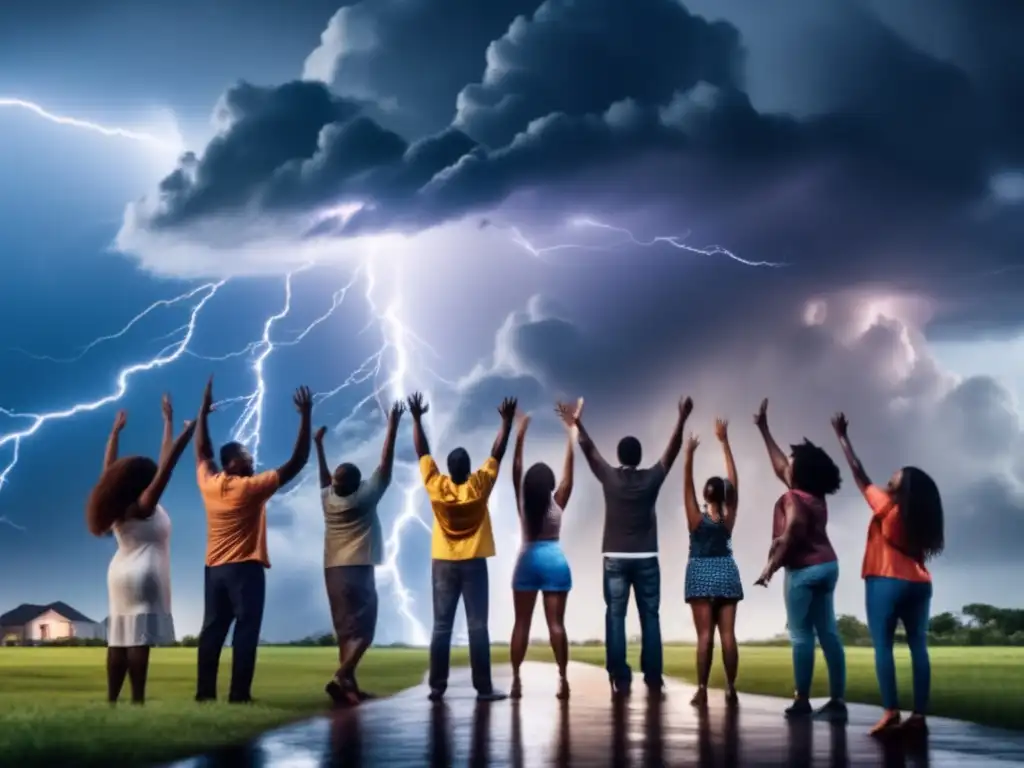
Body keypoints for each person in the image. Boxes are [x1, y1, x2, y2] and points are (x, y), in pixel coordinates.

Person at [557, 395, 693, 697]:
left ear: (619, 456)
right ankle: (654, 677)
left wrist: (577, 422)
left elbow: (589, 451)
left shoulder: (610, 478)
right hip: (646, 556)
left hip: (614, 557)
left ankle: (619, 676)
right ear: (639, 456)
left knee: (615, 615)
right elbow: (671, 453)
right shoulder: (651, 479)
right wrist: (682, 418)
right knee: (650, 616)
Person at [194, 377, 313, 703]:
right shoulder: (249, 488)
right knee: (246, 630)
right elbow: (298, 461)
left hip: (213, 570)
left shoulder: (208, 482)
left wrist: (202, 414)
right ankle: (238, 695)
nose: (252, 458)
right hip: (244, 569)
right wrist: (305, 416)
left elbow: (202, 451)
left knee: (212, 632)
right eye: (246, 455)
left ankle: (204, 695)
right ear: (232, 462)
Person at [832, 412, 944, 737]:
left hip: (885, 581)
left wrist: (842, 436)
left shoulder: (888, 507)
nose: (889, 477)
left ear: (901, 487)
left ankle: (891, 712)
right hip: (920, 585)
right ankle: (919, 715)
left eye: (895, 477)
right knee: (918, 648)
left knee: (883, 647)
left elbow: (858, 474)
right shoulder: (920, 518)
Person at [86, 396, 195, 704]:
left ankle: (111, 700)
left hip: (118, 571)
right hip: (145, 573)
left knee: (119, 636)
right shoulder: (144, 507)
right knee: (139, 638)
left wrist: (117, 433)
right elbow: (168, 467)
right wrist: (186, 434)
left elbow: (110, 471)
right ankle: (137, 699)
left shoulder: (116, 503)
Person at [409, 390, 515, 703]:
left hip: (442, 562)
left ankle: (436, 687)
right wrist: (506, 423)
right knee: (477, 626)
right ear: (468, 469)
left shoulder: (436, 486)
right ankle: (483, 688)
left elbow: (421, 452)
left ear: (447, 469)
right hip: (473, 562)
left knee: (441, 627)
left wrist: (416, 417)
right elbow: (497, 454)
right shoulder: (478, 486)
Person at [752, 398, 847, 721]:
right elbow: (780, 465)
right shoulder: (813, 494)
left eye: (793, 462)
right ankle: (837, 700)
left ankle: (802, 700)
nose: (787, 464)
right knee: (829, 633)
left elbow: (792, 531)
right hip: (828, 565)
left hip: (804, 571)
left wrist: (769, 567)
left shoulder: (794, 497)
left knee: (801, 635)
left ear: (800, 472)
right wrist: (764, 429)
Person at [315, 400, 403, 706]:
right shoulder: (365, 497)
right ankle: (342, 674)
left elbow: (324, 478)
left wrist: (318, 446)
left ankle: (348, 690)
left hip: (331, 570)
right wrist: (392, 426)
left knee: (344, 631)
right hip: (359, 567)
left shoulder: (327, 499)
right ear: (356, 484)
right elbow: (386, 462)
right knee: (365, 631)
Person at [508, 398, 583, 701]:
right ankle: (562, 679)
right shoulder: (557, 502)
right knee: (556, 625)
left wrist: (521, 432)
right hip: (554, 559)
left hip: (527, 560)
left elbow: (515, 469)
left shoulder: (524, 504)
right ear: (550, 485)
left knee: (521, 624)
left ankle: (515, 681)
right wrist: (571, 433)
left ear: (528, 485)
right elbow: (569, 476)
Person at [682, 418, 744, 707]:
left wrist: (689, 455)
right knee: (728, 636)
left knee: (705, 636)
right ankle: (731, 688)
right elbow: (734, 480)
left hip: (700, 575)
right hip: (726, 574)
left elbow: (686, 487)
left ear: (705, 496)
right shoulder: (728, 518)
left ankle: (703, 689)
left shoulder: (696, 519)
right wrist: (725, 441)